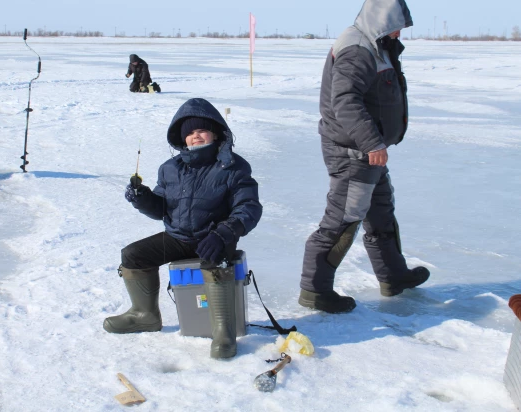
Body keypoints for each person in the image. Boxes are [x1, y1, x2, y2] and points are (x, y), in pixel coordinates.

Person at [104, 98, 262, 359]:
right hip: (177, 237)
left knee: (218, 260)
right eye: (189, 132)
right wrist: (143, 199)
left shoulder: (233, 167)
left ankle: (223, 332)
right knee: (133, 255)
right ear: (181, 139)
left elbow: (249, 208)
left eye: (201, 130)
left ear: (215, 132)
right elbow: (161, 209)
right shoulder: (169, 169)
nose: (195, 136)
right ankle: (145, 315)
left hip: (214, 238)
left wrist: (223, 234)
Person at [299, 0, 429, 314]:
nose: (400, 33)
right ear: (383, 20)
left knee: (381, 212)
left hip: (369, 152)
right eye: (398, 25)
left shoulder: (379, 44)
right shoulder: (358, 49)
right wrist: (372, 143)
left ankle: (393, 277)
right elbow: (345, 101)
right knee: (343, 219)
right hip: (353, 152)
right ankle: (314, 291)